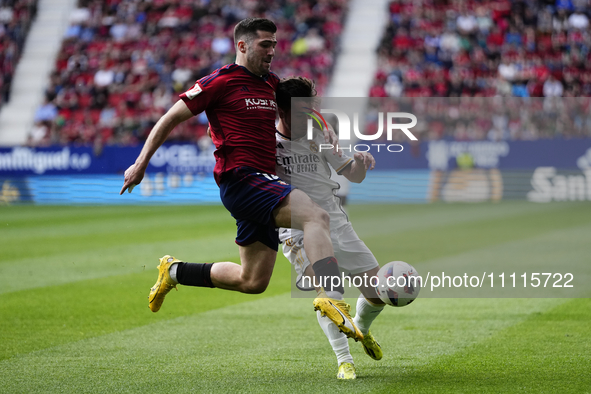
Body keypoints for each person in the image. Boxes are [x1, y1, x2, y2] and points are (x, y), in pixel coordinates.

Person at [119, 18, 363, 341]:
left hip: (263, 184)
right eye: (265, 44)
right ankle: (331, 294)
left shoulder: (272, 84)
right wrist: (140, 163)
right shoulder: (219, 82)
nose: (272, 51)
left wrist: (326, 128)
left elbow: (304, 106)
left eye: (274, 44)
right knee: (315, 214)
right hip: (242, 179)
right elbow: (170, 117)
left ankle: (174, 271)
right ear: (242, 46)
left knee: (253, 280)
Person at [274, 76, 386, 380]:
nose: (312, 114)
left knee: (378, 292)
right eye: (304, 110)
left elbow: (353, 174)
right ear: (282, 111)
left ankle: (360, 328)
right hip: (296, 228)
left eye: (313, 107)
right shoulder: (266, 142)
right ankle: (344, 360)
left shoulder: (319, 132)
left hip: (335, 220)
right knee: (329, 290)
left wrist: (360, 162)